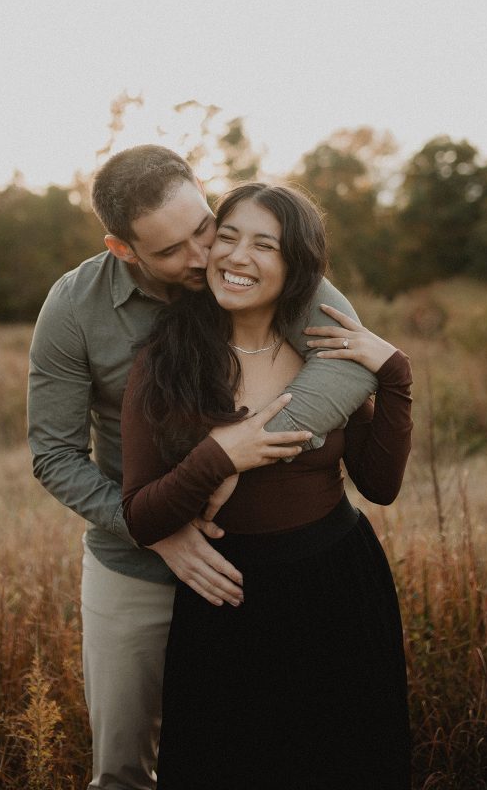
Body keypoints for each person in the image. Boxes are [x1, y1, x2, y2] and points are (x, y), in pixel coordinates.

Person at [27, 146, 378, 790]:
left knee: (250, 756)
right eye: (169, 250)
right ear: (121, 248)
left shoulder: (252, 265)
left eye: (202, 228)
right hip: (133, 565)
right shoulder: (74, 308)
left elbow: (348, 365)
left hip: (252, 568)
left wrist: (238, 455)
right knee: (123, 768)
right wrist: (155, 527)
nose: (201, 257)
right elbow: (53, 454)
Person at [121, 183, 413, 789]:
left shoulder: (328, 356)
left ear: (295, 263)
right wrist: (218, 457)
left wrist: (395, 377)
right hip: (225, 603)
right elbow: (142, 516)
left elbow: (380, 487)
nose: (237, 257)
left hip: (336, 589)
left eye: (264, 245)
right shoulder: (166, 357)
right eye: (226, 237)